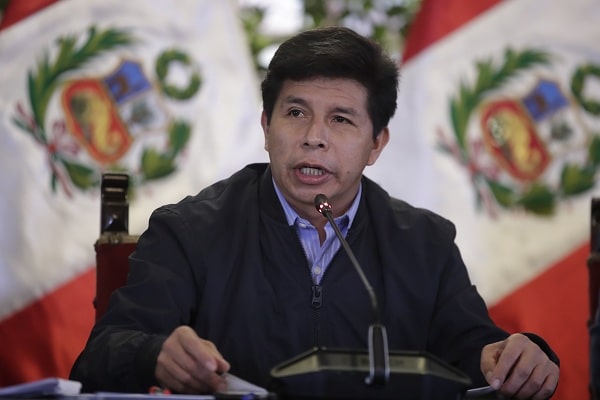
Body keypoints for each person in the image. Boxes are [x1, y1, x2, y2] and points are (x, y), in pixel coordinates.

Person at [70, 26, 560, 399]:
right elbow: (97, 359)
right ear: (266, 126)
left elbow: (476, 354)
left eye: (341, 119)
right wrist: (154, 354)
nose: (314, 137)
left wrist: (519, 358)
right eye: (295, 112)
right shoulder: (189, 231)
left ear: (376, 144)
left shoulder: (424, 243)